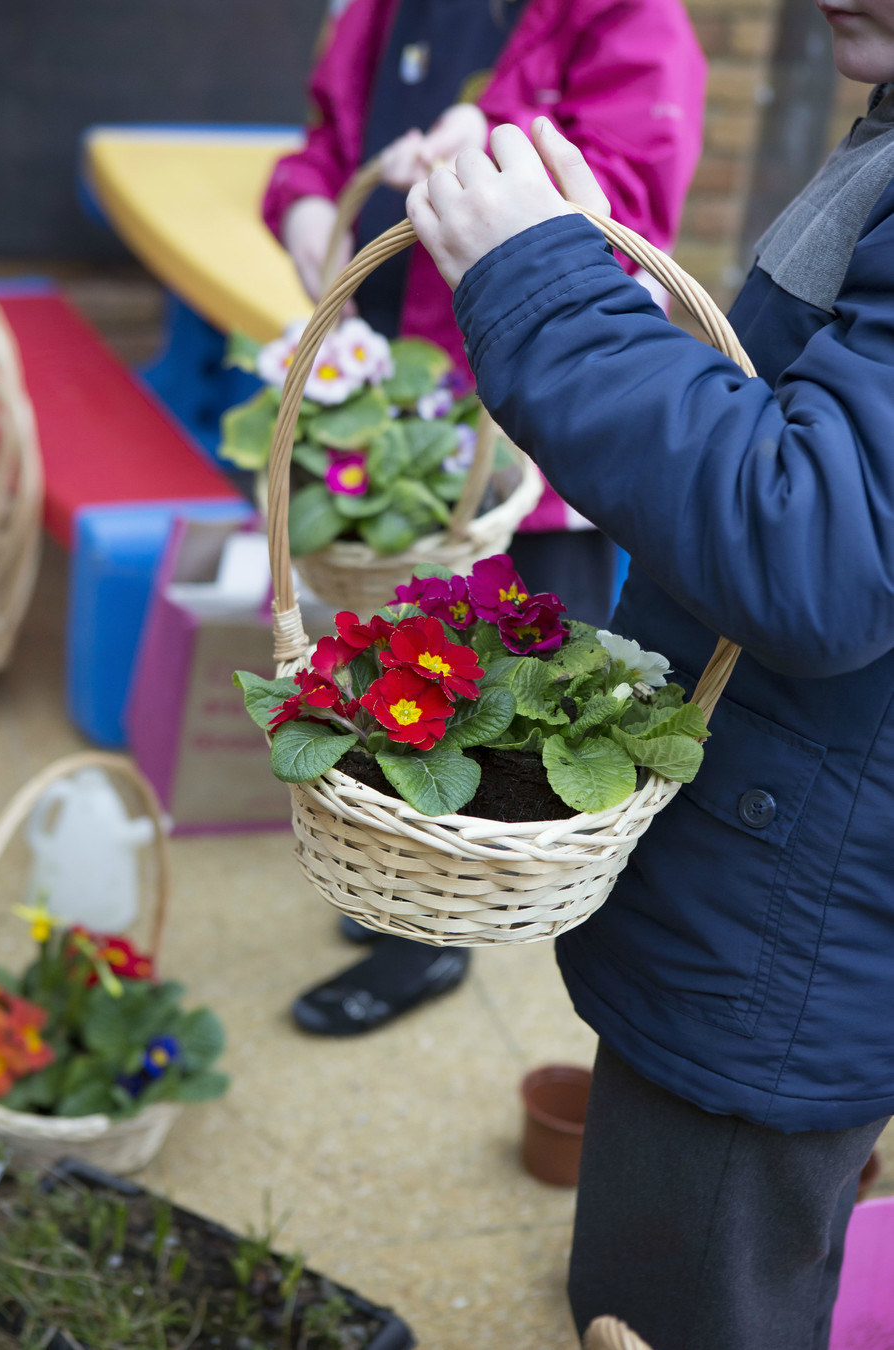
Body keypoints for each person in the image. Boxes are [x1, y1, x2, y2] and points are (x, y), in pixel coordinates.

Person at [404, 2, 894, 1346]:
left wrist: (543, 292)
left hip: (796, 913)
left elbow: (818, 545)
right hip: (808, 859)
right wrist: (596, 286)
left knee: (681, 1301)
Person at [263, 0, 706, 1036]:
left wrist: (498, 171)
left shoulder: (630, 16)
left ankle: (435, 936)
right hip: (404, 407)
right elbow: (320, 154)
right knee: (399, 669)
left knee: (499, 699)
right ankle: (402, 887)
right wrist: (306, 217)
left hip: (529, 441)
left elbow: (628, 213)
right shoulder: (381, 10)